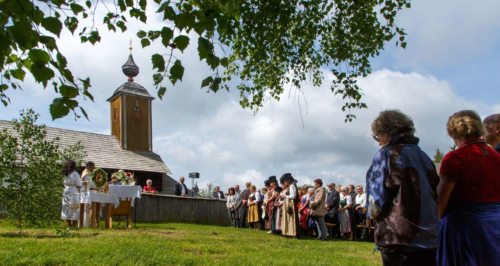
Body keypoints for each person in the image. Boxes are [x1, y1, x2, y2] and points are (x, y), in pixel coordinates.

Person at [366, 110, 439, 266]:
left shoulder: (386, 156)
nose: (378, 142)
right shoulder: (424, 156)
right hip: (430, 238)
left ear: (386, 133)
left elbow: (375, 203)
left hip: (399, 237)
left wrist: (373, 217)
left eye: (378, 136)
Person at [437, 110, 500, 266]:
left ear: (452, 132)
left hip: (463, 228)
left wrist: (432, 228)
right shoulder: (497, 157)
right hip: (494, 228)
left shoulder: (455, 158)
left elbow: (441, 201)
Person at [61, 160, 82, 227]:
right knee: (74, 207)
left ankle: (69, 224)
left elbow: (63, 183)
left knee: (66, 207)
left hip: (66, 190)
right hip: (73, 191)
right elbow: (79, 184)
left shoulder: (65, 173)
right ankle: (74, 224)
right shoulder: (75, 173)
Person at [279, 173, 299, 237]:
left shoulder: (292, 186)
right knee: (288, 218)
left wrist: (285, 196)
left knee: (291, 218)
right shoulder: (290, 186)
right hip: (288, 203)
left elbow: (293, 196)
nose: (284, 183)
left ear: (288, 180)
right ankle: (288, 232)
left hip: (291, 203)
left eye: (284, 181)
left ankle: (292, 233)